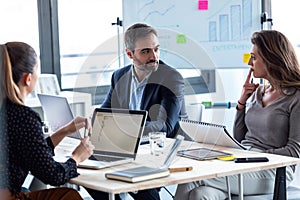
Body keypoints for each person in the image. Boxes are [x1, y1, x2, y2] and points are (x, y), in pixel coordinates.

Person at [174, 30, 300, 200]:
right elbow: (240, 138)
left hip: (273, 170)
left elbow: (294, 151)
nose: (249, 62)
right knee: (200, 195)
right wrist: (241, 103)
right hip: (243, 161)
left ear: (271, 59)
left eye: (254, 57)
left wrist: (253, 155)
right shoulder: (258, 92)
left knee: (192, 179)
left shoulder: (296, 97)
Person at [86, 23, 186, 200]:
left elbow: (166, 126)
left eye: (156, 49)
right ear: (130, 54)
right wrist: (93, 121)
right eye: (146, 51)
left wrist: (125, 130)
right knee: (86, 173)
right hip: (130, 148)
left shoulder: (170, 77)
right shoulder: (119, 76)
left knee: (141, 184)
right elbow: (106, 112)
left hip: (161, 151)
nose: (153, 56)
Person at [0, 42, 95, 200]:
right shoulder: (22, 116)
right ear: (28, 79)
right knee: (69, 196)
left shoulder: (8, 113)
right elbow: (52, 175)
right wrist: (77, 157)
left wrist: (65, 130)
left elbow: (34, 154)